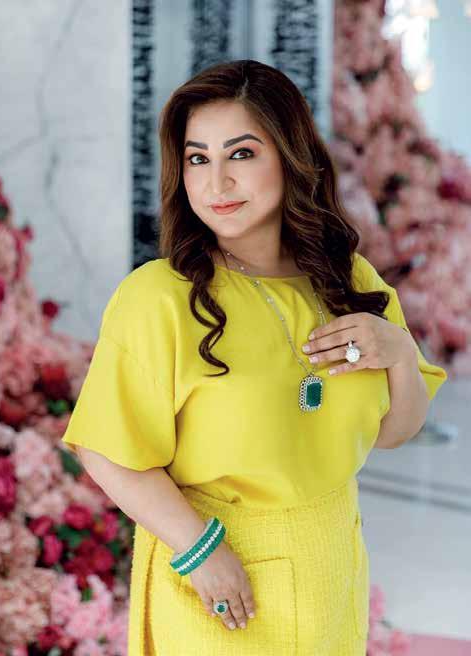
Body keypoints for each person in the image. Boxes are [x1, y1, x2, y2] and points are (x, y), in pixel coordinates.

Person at [60, 59, 448, 655]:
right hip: (220, 583)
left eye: (240, 154)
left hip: (330, 567)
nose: (216, 183)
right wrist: (200, 551)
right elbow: (105, 448)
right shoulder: (160, 297)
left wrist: (398, 352)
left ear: (292, 157)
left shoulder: (347, 279)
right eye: (197, 159)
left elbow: (396, 431)